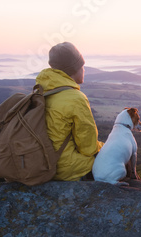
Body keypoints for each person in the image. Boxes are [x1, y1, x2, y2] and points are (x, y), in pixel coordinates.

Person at [36, 42, 103, 181]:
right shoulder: (75, 98)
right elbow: (88, 147)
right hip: (65, 169)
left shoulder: (42, 89)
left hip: (41, 163)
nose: (84, 70)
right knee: (116, 156)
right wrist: (107, 147)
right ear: (73, 69)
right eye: (82, 66)